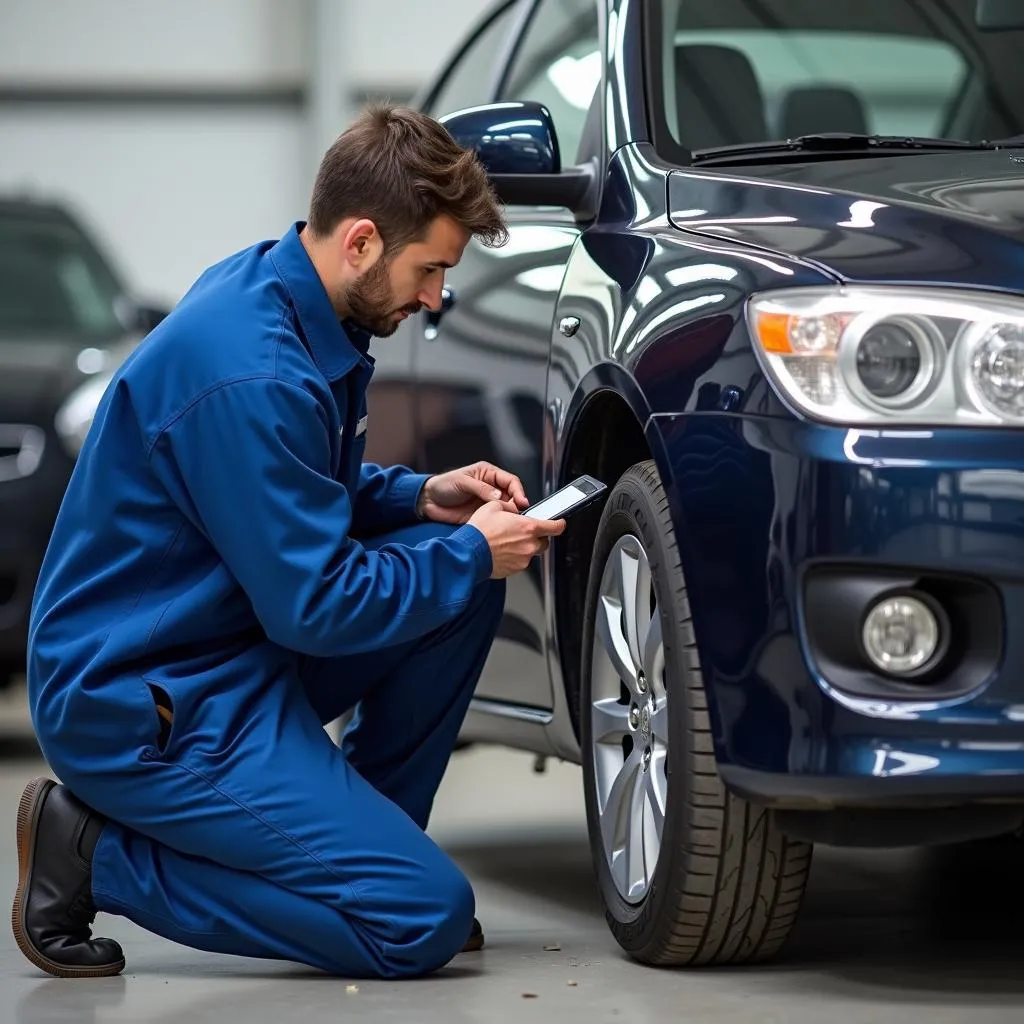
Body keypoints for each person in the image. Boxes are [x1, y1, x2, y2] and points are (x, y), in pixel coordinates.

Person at [12, 104, 567, 981]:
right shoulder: (252, 371)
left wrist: (424, 499)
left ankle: (365, 866)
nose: (434, 299)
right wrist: (467, 552)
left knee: (461, 594)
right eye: (429, 270)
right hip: (146, 704)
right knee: (419, 922)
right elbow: (315, 604)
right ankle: (89, 853)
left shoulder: (290, 295)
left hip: (227, 650)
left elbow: (301, 498)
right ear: (359, 242)